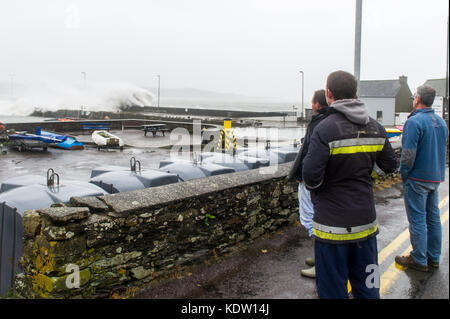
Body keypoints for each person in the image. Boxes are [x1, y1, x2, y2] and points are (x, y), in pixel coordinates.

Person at [302, 70, 397, 299]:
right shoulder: (376, 127)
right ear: (355, 93)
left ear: (329, 94)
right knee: (368, 288)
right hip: (366, 226)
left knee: (333, 291)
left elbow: (311, 177)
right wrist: (366, 174)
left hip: (332, 230)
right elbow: (390, 165)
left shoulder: (325, 128)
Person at [395, 86, 448, 272]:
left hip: (417, 178)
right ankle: (434, 257)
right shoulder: (441, 123)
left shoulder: (414, 122)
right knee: (433, 219)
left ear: (417, 99)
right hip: (435, 177)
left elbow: (408, 155)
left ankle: (418, 258)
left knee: (417, 218)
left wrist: (404, 173)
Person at [288, 89, 330, 278]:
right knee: (318, 218)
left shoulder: (318, 123)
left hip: (310, 182)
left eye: (312, 101)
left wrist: (304, 177)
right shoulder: (328, 122)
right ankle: (320, 256)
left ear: (316, 104)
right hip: (320, 181)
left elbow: (310, 155)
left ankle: (323, 263)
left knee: (310, 219)